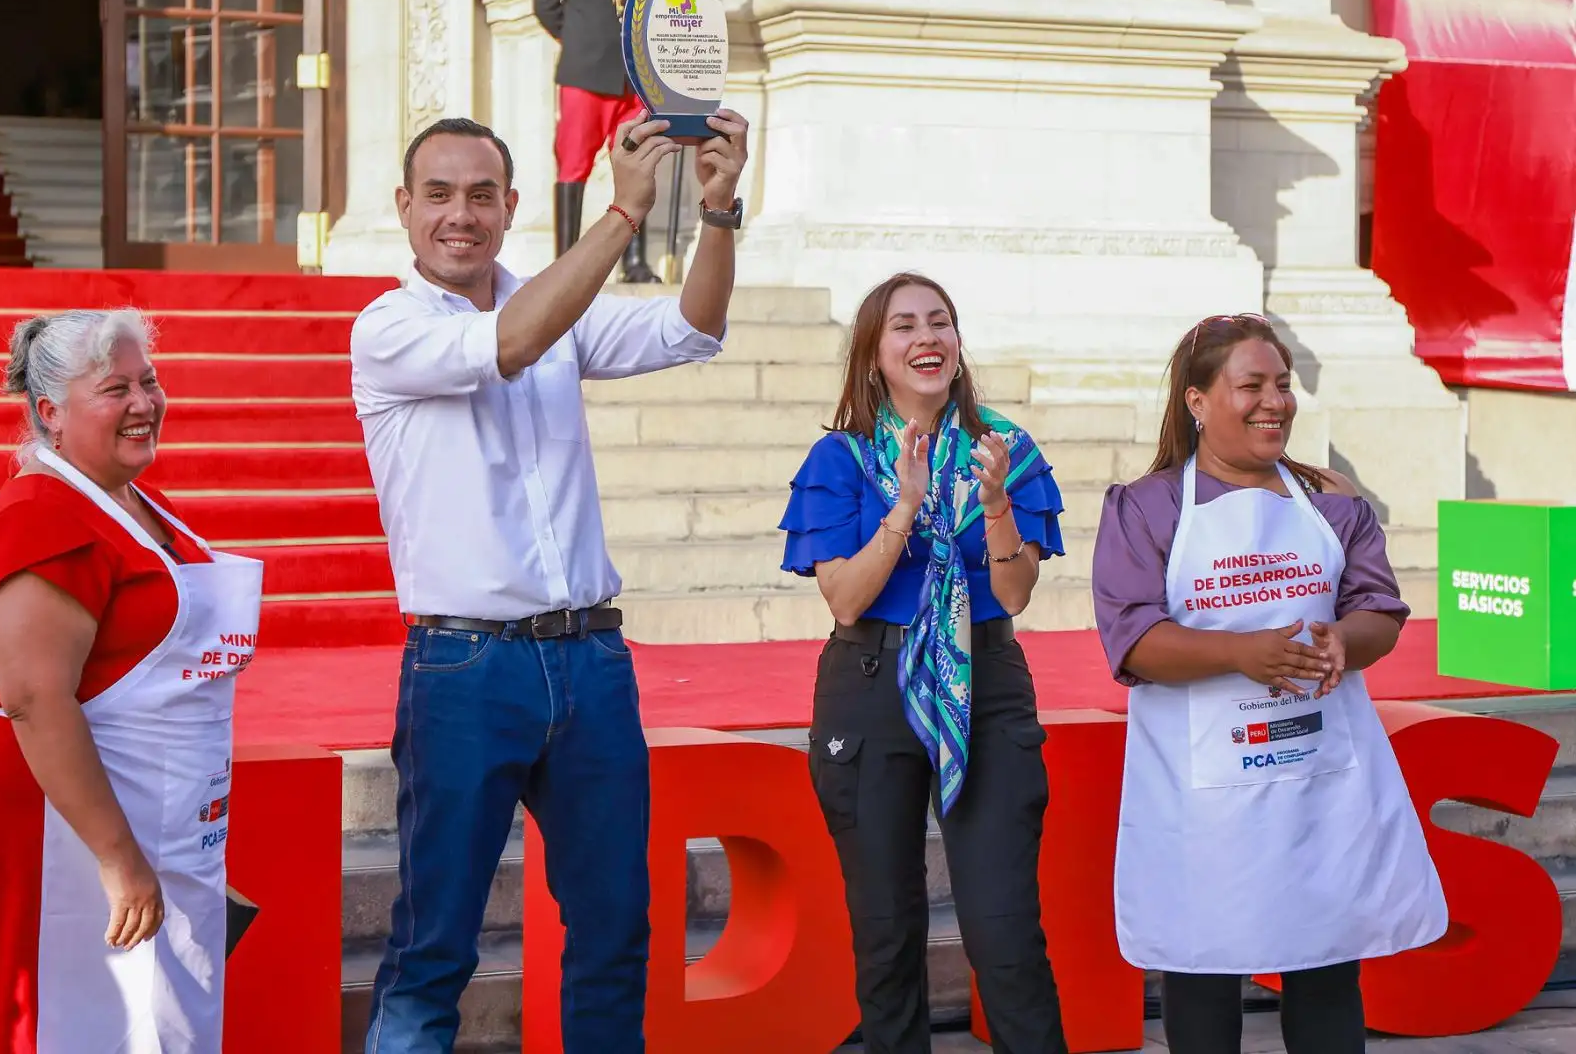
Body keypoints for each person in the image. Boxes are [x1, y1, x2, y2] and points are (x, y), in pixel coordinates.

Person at [350, 107, 748, 1053]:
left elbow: (693, 328)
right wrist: (623, 212)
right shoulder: (389, 326)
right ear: (405, 208)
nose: (461, 215)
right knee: (436, 941)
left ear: (511, 205)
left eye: (482, 195)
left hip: (590, 662)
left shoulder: (551, 303)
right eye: (439, 195)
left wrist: (720, 215)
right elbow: (511, 343)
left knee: (615, 929)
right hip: (463, 669)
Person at [1090, 313, 1448, 1054]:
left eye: (1283, 385)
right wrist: (1242, 654)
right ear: (1197, 401)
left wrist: (1341, 640)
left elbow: (1380, 608)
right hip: (1202, 790)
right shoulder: (1147, 508)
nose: (1274, 402)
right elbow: (1132, 639)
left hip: (1318, 777)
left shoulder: (1331, 503)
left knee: (1324, 964)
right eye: (1250, 385)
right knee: (1202, 966)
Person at [0, 308, 264, 1052]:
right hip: (63, 834)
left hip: (158, 821)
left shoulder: (134, 502)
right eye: (116, 388)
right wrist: (118, 859)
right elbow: (34, 699)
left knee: (157, 1023)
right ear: (50, 412)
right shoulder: (38, 518)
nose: (144, 404)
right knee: (73, 1024)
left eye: (150, 383)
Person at [778, 272, 1070, 1054]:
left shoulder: (1005, 449)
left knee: (1005, 931)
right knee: (886, 933)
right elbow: (844, 599)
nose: (926, 338)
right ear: (876, 354)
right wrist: (905, 507)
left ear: (959, 343)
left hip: (986, 682)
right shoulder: (842, 458)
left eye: (939, 322)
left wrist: (999, 501)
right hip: (871, 687)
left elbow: (1013, 594)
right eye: (904, 326)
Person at [534, 0, 708, 280]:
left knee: (639, 161)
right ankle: (566, 259)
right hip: (584, 74)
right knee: (573, 164)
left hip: (635, 77)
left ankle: (633, 260)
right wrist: (580, 40)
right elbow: (545, 2)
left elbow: (666, 2)